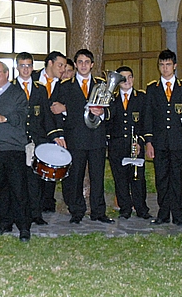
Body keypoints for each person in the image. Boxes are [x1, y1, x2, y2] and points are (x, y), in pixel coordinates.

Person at [46, 48, 113, 224]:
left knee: (97, 176)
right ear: (75, 65)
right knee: (75, 177)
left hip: (96, 138)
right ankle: (77, 211)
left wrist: (102, 113)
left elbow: (113, 111)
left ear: (92, 65)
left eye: (87, 62)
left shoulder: (101, 85)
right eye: (80, 62)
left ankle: (99, 212)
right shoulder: (64, 86)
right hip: (74, 138)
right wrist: (60, 131)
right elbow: (55, 110)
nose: (83, 65)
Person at [143, 49, 182, 227]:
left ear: (175, 66)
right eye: (162, 65)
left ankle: (178, 214)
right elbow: (148, 116)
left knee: (177, 178)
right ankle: (163, 213)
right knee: (161, 178)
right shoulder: (152, 89)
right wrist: (149, 142)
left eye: (168, 65)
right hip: (159, 143)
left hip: (178, 142)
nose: (165, 68)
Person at [0, 61, 31, 240]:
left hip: (14, 149)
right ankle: (4, 223)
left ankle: (24, 227)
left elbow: (21, 115)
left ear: (6, 74)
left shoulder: (18, 94)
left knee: (18, 190)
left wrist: (5, 118)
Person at [107, 65, 150, 220]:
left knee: (137, 177)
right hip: (117, 145)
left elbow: (147, 122)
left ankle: (141, 208)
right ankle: (125, 208)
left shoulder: (142, 98)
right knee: (120, 178)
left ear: (133, 79)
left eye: (130, 77)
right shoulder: (111, 99)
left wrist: (140, 142)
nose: (127, 81)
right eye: (123, 78)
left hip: (135, 144)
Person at [13, 52, 49, 225]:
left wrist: (52, 136)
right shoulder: (10, 87)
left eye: (28, 66)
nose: (25, 69)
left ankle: (36, 213)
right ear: (17, 67)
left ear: (33, 67)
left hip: (36, 140)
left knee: (36, 178)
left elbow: (46, 115)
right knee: (18, 179)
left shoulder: (40, 89)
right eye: (22, 65)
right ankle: (18, 212)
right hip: (17, 140)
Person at [34, 51, 67, 215]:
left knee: (50, 168)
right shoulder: (32, 78)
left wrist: (59, 135)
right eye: (60, 65)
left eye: (65, 66)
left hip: (53, 132)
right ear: (50, 63)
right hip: (33, 132)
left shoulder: (63, 86)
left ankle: (47, 203)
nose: (63, 69)